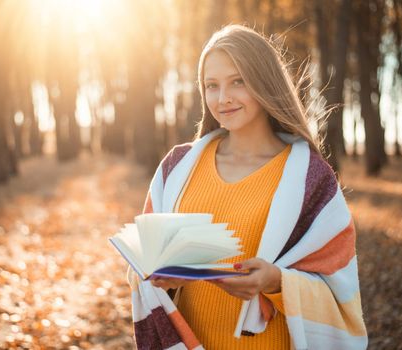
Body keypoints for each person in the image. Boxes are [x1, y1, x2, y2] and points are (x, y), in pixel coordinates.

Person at [129, 24, 367, 350]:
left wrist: (276, 282)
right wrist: (160, 276)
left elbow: (340, 290)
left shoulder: (312, 178)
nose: (223, 98)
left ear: (264, 81)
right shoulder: (176, 168)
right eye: (212, 85)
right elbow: (144, 265)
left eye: (237, 81)